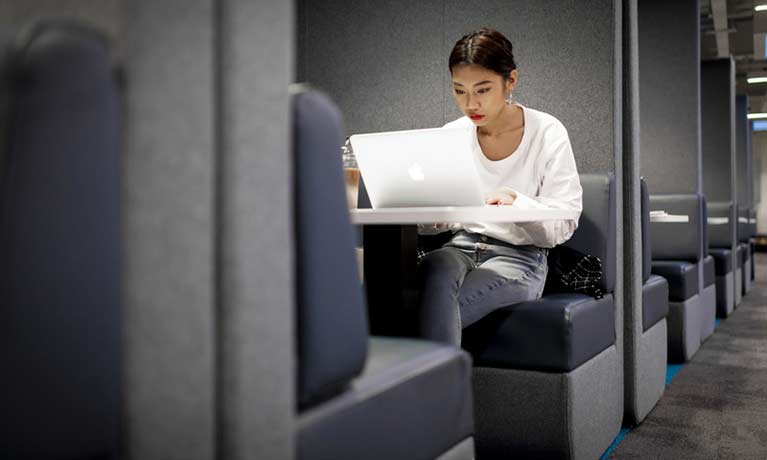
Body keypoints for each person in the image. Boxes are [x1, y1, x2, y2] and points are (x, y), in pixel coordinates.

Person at [416, 28, 583, 346]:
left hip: (520, 257)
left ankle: (433, 391)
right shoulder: (451, 134)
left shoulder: (547, 132)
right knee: (434, 265)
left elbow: (565, 223)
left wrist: (517, 202)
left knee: (427, 313)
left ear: (511, 81)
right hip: (458, 246)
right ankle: (436, 389)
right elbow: (430, 229)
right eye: (459, 90)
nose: (470, 103)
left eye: (482, 90)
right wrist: (433, 215)